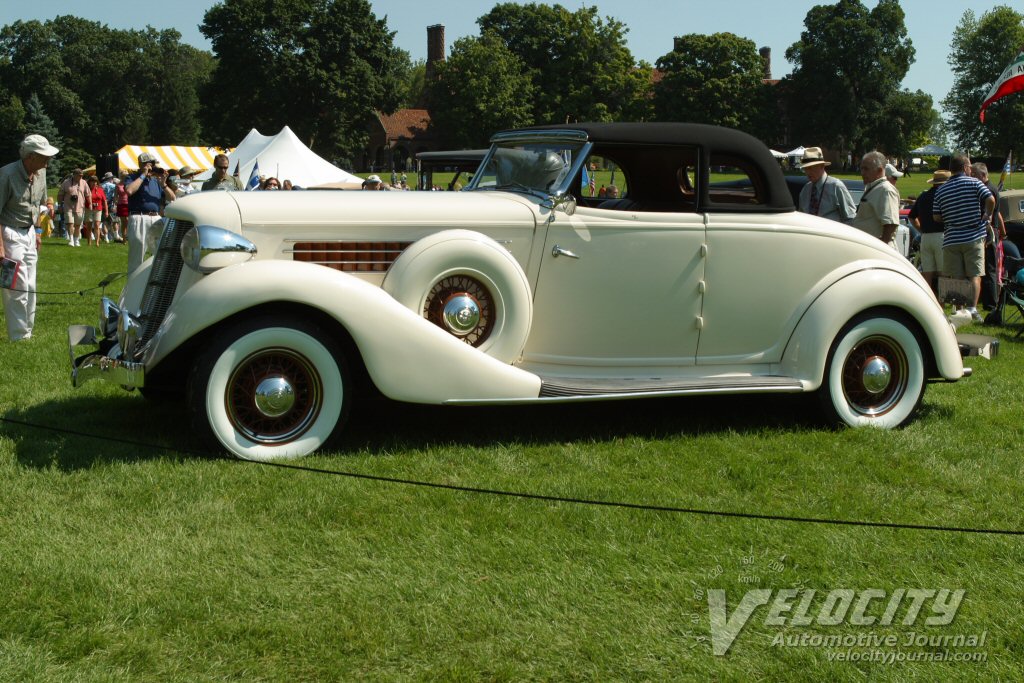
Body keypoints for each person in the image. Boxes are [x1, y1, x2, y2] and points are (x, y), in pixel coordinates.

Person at [0, 134, 59, 341]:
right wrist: (0, 248)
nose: (48, 161)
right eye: (44, 156)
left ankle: (28, 332)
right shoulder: (6, 175)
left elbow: (42, 202)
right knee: (16, 286)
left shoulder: (40, 172)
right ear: (31, 156)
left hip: (30, 233)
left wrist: (39, 232)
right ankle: (18, 336)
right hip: (9, 233)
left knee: (31, 286)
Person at [933, 153, 994, 323]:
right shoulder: (974, 183)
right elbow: (990, 199)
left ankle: (960, 312)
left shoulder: (942, 189)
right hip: (973, 235)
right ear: (966, 167)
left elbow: (936, 217)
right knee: (975, 274)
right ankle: (972, 310)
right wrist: (987, 215)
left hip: (952, 237)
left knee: (957, 277)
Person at [125, 152, 175, 273]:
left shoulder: (155, 181)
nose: (153, 167)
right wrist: (143, 175)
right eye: (150, 164)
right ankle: (133, 287)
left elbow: (172, 198)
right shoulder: (132, 177)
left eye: (154, 164)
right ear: (142, 164)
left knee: (160, 254)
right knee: (137, 257)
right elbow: (130, 191)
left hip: (156, 218)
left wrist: (163, 184)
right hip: (139, 217)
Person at [909, 170, 950, 295]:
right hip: (942, 236)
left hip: (925, 237)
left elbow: (911, 217)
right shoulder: (944, 196)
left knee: (927, 272)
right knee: (943, 273)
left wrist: (921, 230)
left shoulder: (923, 196)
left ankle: (927, 298)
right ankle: (942, 302)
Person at [971, 162, 1006, 310]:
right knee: (986, 267)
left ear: (983, 175)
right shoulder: (990, 188)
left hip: (988, 232)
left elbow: (992, 213)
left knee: (989, 268)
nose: (972, 177)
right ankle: (988, 300)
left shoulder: (987, 190)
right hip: (992, 230)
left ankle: (991, 303)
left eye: (974, 175)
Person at [853, 151, 900, 247]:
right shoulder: (874, 188)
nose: (862, 173)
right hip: (868, 246)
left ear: (879, 170)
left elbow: (890, 224)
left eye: (866, 169)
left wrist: (881, 247)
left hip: (878, 249)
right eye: (861, 168)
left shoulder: (885, 190)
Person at [797, 147, 855, 224]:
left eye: (811, 168)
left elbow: (850, 218)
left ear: (822, 166)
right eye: (805, 168)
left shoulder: (835, 186)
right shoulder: (805, 190)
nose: (808, 172)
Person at [57, 168, 89, 247]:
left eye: (82, 175)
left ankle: (76, 240)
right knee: (70, 223)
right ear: (74, 175)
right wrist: (60, 205)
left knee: (78, 225)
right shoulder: (66, 182)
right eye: (79, 176)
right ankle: (71, 240)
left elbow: (88, 194)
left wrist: (90, 204)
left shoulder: (84, 182)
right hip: (68, 206)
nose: (80, 177)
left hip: (80, 207)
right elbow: (60, 195)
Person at [85, 174, 108, 247]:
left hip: (98, 209)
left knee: (97, 225)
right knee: (89, 226)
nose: (94, 183)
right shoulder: (87, 189)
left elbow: (104, 201)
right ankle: (89, 242)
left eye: (96, 181)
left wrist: (106, 211)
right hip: (89, 209)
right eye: (93, 181)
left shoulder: (100, 190)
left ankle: (97, 242)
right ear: (90, 182)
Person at [100, 171, 118, 242]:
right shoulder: (113, 186)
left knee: (105, 222)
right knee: (115, 221)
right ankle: (116, 235)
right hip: (111, 204)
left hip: (103, 205)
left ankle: (106, 238)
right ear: (111, 178)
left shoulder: (101, 185)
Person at [114, 173, 129, 243]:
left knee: (128, 221)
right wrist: (115, 204)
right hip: (121, 205)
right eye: (124, 176)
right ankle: (124, 239)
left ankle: (127, 237)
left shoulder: (129, 184)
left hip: (129, 204)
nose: (125, 177)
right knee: (124, 222)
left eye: (126, 176)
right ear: (121, 177)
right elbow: (115, 196)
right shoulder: (118, 185)